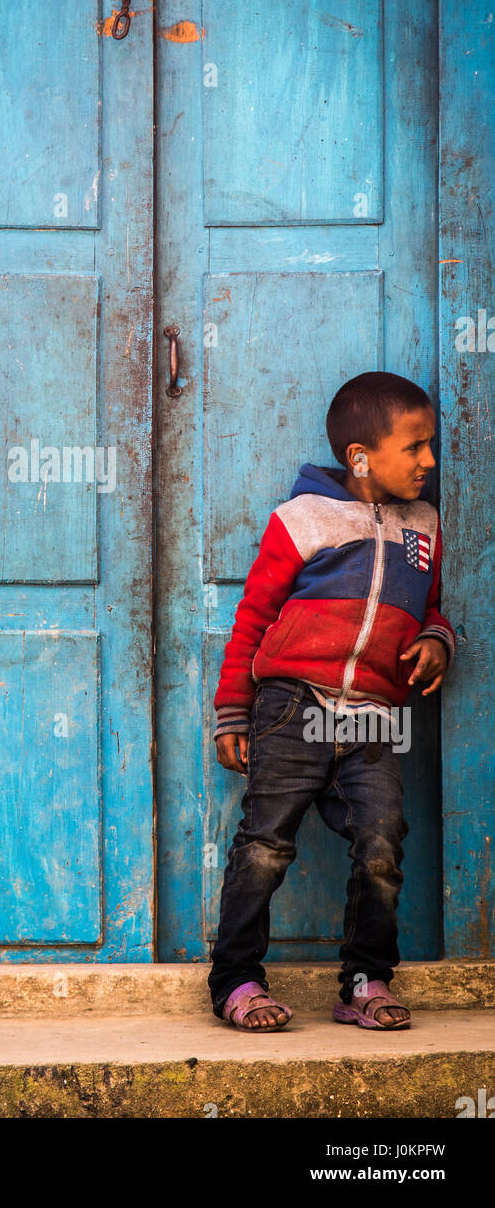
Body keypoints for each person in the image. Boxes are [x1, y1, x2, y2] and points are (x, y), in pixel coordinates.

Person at [209, 371, 455, 1031]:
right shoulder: (302, 519)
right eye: (416, 447)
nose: (430, 461)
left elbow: (430, 610)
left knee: (382, 841)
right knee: (265, 845)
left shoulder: (424, 524)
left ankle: (365, 979)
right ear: (360, 457)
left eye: (430, 446)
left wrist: (437, 639)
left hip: (373, 716)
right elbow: (253, 618)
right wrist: (233, 710)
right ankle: (235, 981)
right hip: (291, 705)